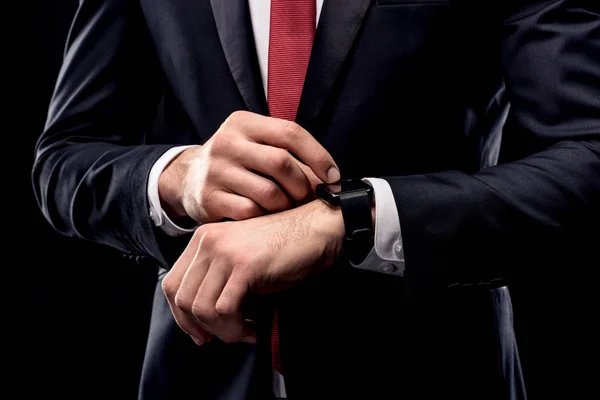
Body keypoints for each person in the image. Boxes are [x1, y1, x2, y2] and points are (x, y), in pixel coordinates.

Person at [32, 0, 599, 399]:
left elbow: (587, 156)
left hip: (429, 368)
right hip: (198, 373)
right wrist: (180, 177)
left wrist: (352, 221)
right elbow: (64, 158)